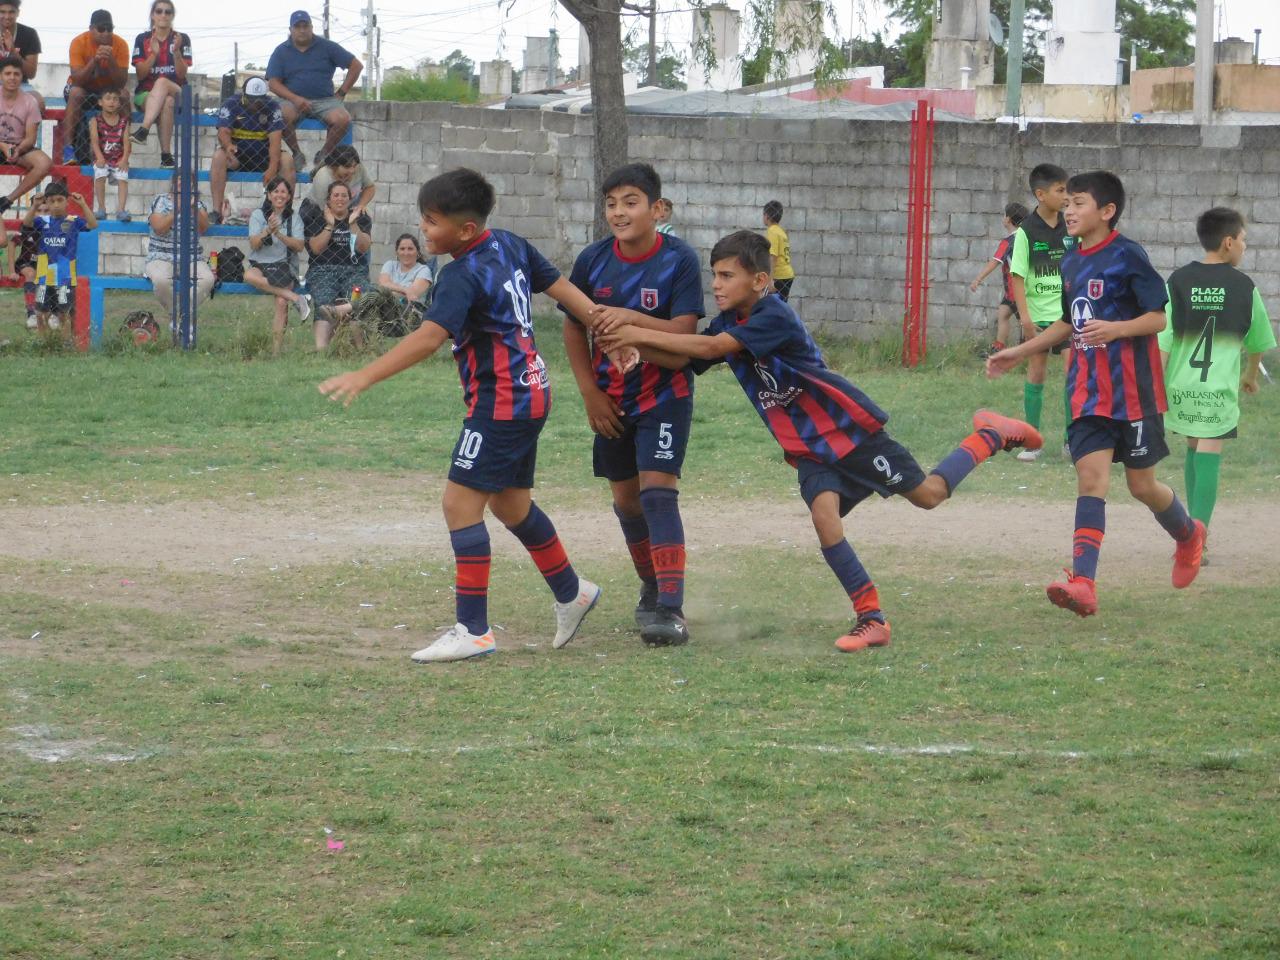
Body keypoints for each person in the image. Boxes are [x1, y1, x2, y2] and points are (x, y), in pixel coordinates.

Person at [598, 230, 1041, 652]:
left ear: (760, 280)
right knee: (825, 519)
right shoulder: (729, 320)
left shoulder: (772, 313)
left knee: (929, 495)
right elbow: (682, 354)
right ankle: (872, 619)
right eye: (713, 275)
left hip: (848, 432)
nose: (715, 285)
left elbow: (710, 350)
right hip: (808, 447)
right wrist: (632, 337)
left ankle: (991, 433)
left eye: (726, 275)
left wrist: (633, 331)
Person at [318, 168, 620, 664]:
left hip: (501, 403)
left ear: (464, 230)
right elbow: (562, 289)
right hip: (532, 393)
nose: (425, 229)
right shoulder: (509, 243)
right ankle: (572, 592)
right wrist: (601, 325)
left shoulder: (460, 274)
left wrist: (365, 375)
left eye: (432, 222)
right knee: (511, 506)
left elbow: (429, 337)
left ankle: (473, 630)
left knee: (460, 505)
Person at [987, 171, 1206, 618]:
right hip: (1086, 394)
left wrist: (1117, 329)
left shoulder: (1129, 256)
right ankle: (1083, 582)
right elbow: (1069, 323)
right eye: (1067, 202)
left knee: (1142, 486)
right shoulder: (1071, 261)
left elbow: (1158, 319)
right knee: (1091, 480)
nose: (1068, 210)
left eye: (1079, 203)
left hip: (1134, 393)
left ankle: (1188, 535)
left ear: (1106, 212)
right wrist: (1017, 352)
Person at [562, 162, 704, 647]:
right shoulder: (592, 261)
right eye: (611, 204)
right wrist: (590, 392)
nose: (619, 213)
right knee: (626, 501)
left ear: (656, 209)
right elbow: (571, 326)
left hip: (666, 396)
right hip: (611, 402)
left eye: (631, 202)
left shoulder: (679, 260)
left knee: (657, 493)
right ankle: (651, 584)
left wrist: (628, 320)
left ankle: (670, 607)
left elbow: (686, 334)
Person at [1159, 206, 1276, 562]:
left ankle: (1189, 532)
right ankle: (1196, 539)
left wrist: (1154, 387)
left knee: (1195, 449)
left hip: (1180, 387)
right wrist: (1250, 377)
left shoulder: (1177, 280)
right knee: (1209, 453)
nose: (1244, 247)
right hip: (1216, 390)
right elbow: (1258, 344)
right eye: (1243, 240)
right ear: (1228, 243)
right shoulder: (1244, 288)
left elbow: (1162, 342)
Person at [1008, 163, 1073, 461]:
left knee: (1074, 375)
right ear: (1041, 194)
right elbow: (1017, 276)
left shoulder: (1072, 226)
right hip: (1039, 317)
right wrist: (1025, 317)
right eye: (1060, 190)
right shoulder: (1026, 233)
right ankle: (1032, 441)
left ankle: (1073, 441)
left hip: (1069, 316)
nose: (1066, 196)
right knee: (1037, 373)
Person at [266, 10, 361, 171]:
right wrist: (295, 98)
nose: (302, 30)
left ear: (311, 27)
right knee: (280, 115)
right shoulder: (281, 51)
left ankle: (325, 154)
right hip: (291, 101)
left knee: (343, 119)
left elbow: (356, 65)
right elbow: (273, 83)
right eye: (298, 26)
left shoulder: (327, 47)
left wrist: (341, 93)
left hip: (325, 100)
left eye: (306, 26)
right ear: (291, 30)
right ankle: (296, 153)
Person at [208, 77, 294, 226]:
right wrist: (228, 146)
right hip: (238, 156)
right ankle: (216, 211)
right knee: (218, 156)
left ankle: (286, 212)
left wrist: (273, 167)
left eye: (259, 100)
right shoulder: (231, 104)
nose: (256, 104)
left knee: (287, 160)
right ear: (244, 95)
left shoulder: (273, 107)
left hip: (264, 156)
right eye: (252, 100)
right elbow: (223, 131)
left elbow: (276, 140)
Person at [244, 175, 309, 355]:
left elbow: (299, 246)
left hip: (283, 264)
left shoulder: (294, 218)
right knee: (248, 275)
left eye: (284, 192)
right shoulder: (258, 215)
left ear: (289, 196)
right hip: (261, 263)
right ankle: (297, 298)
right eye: (276, 191)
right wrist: (267, 231)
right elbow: (254, 244)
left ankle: (276, 351)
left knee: (281, 302)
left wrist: (279, 234)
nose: (279, 195)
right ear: (269, 195)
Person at [303, 180, 371, 349]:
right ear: (328, 199)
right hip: (322, 270)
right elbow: (316, 248)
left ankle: (361, 350)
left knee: (360, 299)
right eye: (336, 195)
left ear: (350, 198)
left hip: (354, 270)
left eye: (344, 195)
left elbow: (363, 248)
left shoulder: (360, 217)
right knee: (324, 303)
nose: (340, 199)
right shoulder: (316, 217)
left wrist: (353, 224)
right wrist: (330, 225)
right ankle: (322, 351)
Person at [25, 181, 98, 334]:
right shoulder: (42, 221)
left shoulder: (73, 220)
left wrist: (83, 205)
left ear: (67, 201)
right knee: (40, 313)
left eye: (60, 200)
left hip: (65, 278)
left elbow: (93, 224)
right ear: (47, 202)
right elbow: (27, 223)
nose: (56, 205)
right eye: (52, 201)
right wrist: (34, 206)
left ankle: (64, 344)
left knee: (64, 313)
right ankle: (43, 343)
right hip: (43, 278)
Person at [59, 9, 131, 165]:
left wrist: (110, 60)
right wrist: (94, 60)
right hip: (82, 87)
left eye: (109, 29)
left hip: (105, 91)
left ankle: (125, 150)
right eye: (101, 29)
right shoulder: (79, 42)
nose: (106, 33)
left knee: (124, 95)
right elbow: (77, 80)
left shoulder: (120, 44)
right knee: (76, 93)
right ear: (91, 28)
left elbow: (121, 83)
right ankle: (68, 149)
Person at [128, 0, 193, 168]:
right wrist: (153, 55)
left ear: (172, 16)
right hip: (147, 94)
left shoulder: (181, 38)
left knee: (163, 82)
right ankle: (166, 155)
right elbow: (141, 74)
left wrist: (177, 52)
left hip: (177, 90)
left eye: (168, 12)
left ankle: (144, 129)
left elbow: (181, 74)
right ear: (152, 15)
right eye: (159, 11)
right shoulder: (142, 39)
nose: (163, 15)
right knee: (167, 102)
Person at [144, 174, 214, 313]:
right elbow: (158, 228)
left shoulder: (198, 204)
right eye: (180, 178)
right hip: (161, 256)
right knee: (160, 281)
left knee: (208, 279)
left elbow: (203, 228)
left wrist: (193, 208)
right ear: (174, 181)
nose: (183, 182)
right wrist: (179, 208)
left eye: (188, 179)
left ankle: (184, 313)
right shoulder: (161, 200)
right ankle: (174, 313)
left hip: (192, 257)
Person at [969, 201, 1028, 355]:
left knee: (1024, 321)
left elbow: (995, 261)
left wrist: (978, 279)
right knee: (1003, 313)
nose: (1003, 218)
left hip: (1016, 289)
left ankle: (1025, 351)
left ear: (1008, 219)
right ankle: (998, 348)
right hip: (1018, 289)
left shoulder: (1009, 241)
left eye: (1004, 215)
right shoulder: (1027, 238)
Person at [0, 55, 48, 215]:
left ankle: (6, 201)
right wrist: (3, 146)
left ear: (21, 77)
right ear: (1, 76)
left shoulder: (29, 102)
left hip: (19, 146)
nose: (12, 78)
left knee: (44, 163)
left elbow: (30, 137)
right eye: (8, 74)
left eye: (16, 74)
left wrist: (18, 150)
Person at [89, 86, 131, 221]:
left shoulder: (124, 122)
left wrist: (124, 159)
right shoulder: (95, 120)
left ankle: (121, 210)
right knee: (99, 174)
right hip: (103, 158)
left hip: (118, 158)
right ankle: (101, 209)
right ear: (100, 102)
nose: (111, 102)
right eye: (108, 98)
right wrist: (99, 157)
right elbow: (94, 142)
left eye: (115, 99)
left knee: (123, 178)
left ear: (119, 103)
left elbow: (127, 143)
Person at [6, 188, 43, 328]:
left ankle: (53, 313)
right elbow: (11, 243)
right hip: (26, 263)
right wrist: (11, 271)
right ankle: (31, 313)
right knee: (31, 273)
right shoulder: (28, 227)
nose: (42, 214)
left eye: (46, 211)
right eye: (38, 210)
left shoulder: (50, 227)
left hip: (44, 265)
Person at [307, 144, 374, 220]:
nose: (352, 170)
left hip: (348, 207)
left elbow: (370, 187)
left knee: (365, 217)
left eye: (354, 166)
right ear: (334, 166)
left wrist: (361, 205)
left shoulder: (359, 168)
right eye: (347, 167)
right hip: (318, 209)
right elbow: (325, 210)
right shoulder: (323, 177)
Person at [0, 0, 43, 111]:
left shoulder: (29, 34)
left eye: (11, 12)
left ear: (18, 13)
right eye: (2, 12)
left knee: (37, 101)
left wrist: (13, 51)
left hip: (20, 83)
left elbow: (31, 73)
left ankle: (29, 129)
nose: (7, 16)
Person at [378, 233, 433, 306]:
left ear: (418, 252)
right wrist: (405, 290)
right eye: (402, 249)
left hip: (410, 312)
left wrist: (390, 289)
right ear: (396, 252)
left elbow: (413, 293)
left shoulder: (423, 270)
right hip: (385, 308)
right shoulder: (390, 265)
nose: (406, 253)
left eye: (410, 249)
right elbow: (383, 284)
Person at [763, 200, 795, 302]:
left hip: (779, 277)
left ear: (766, 216)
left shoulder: (772, 231)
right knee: (780, 306)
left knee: (768, 305)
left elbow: (773, 257)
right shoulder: (781, 231)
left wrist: (770, 280)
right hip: (787, 275)